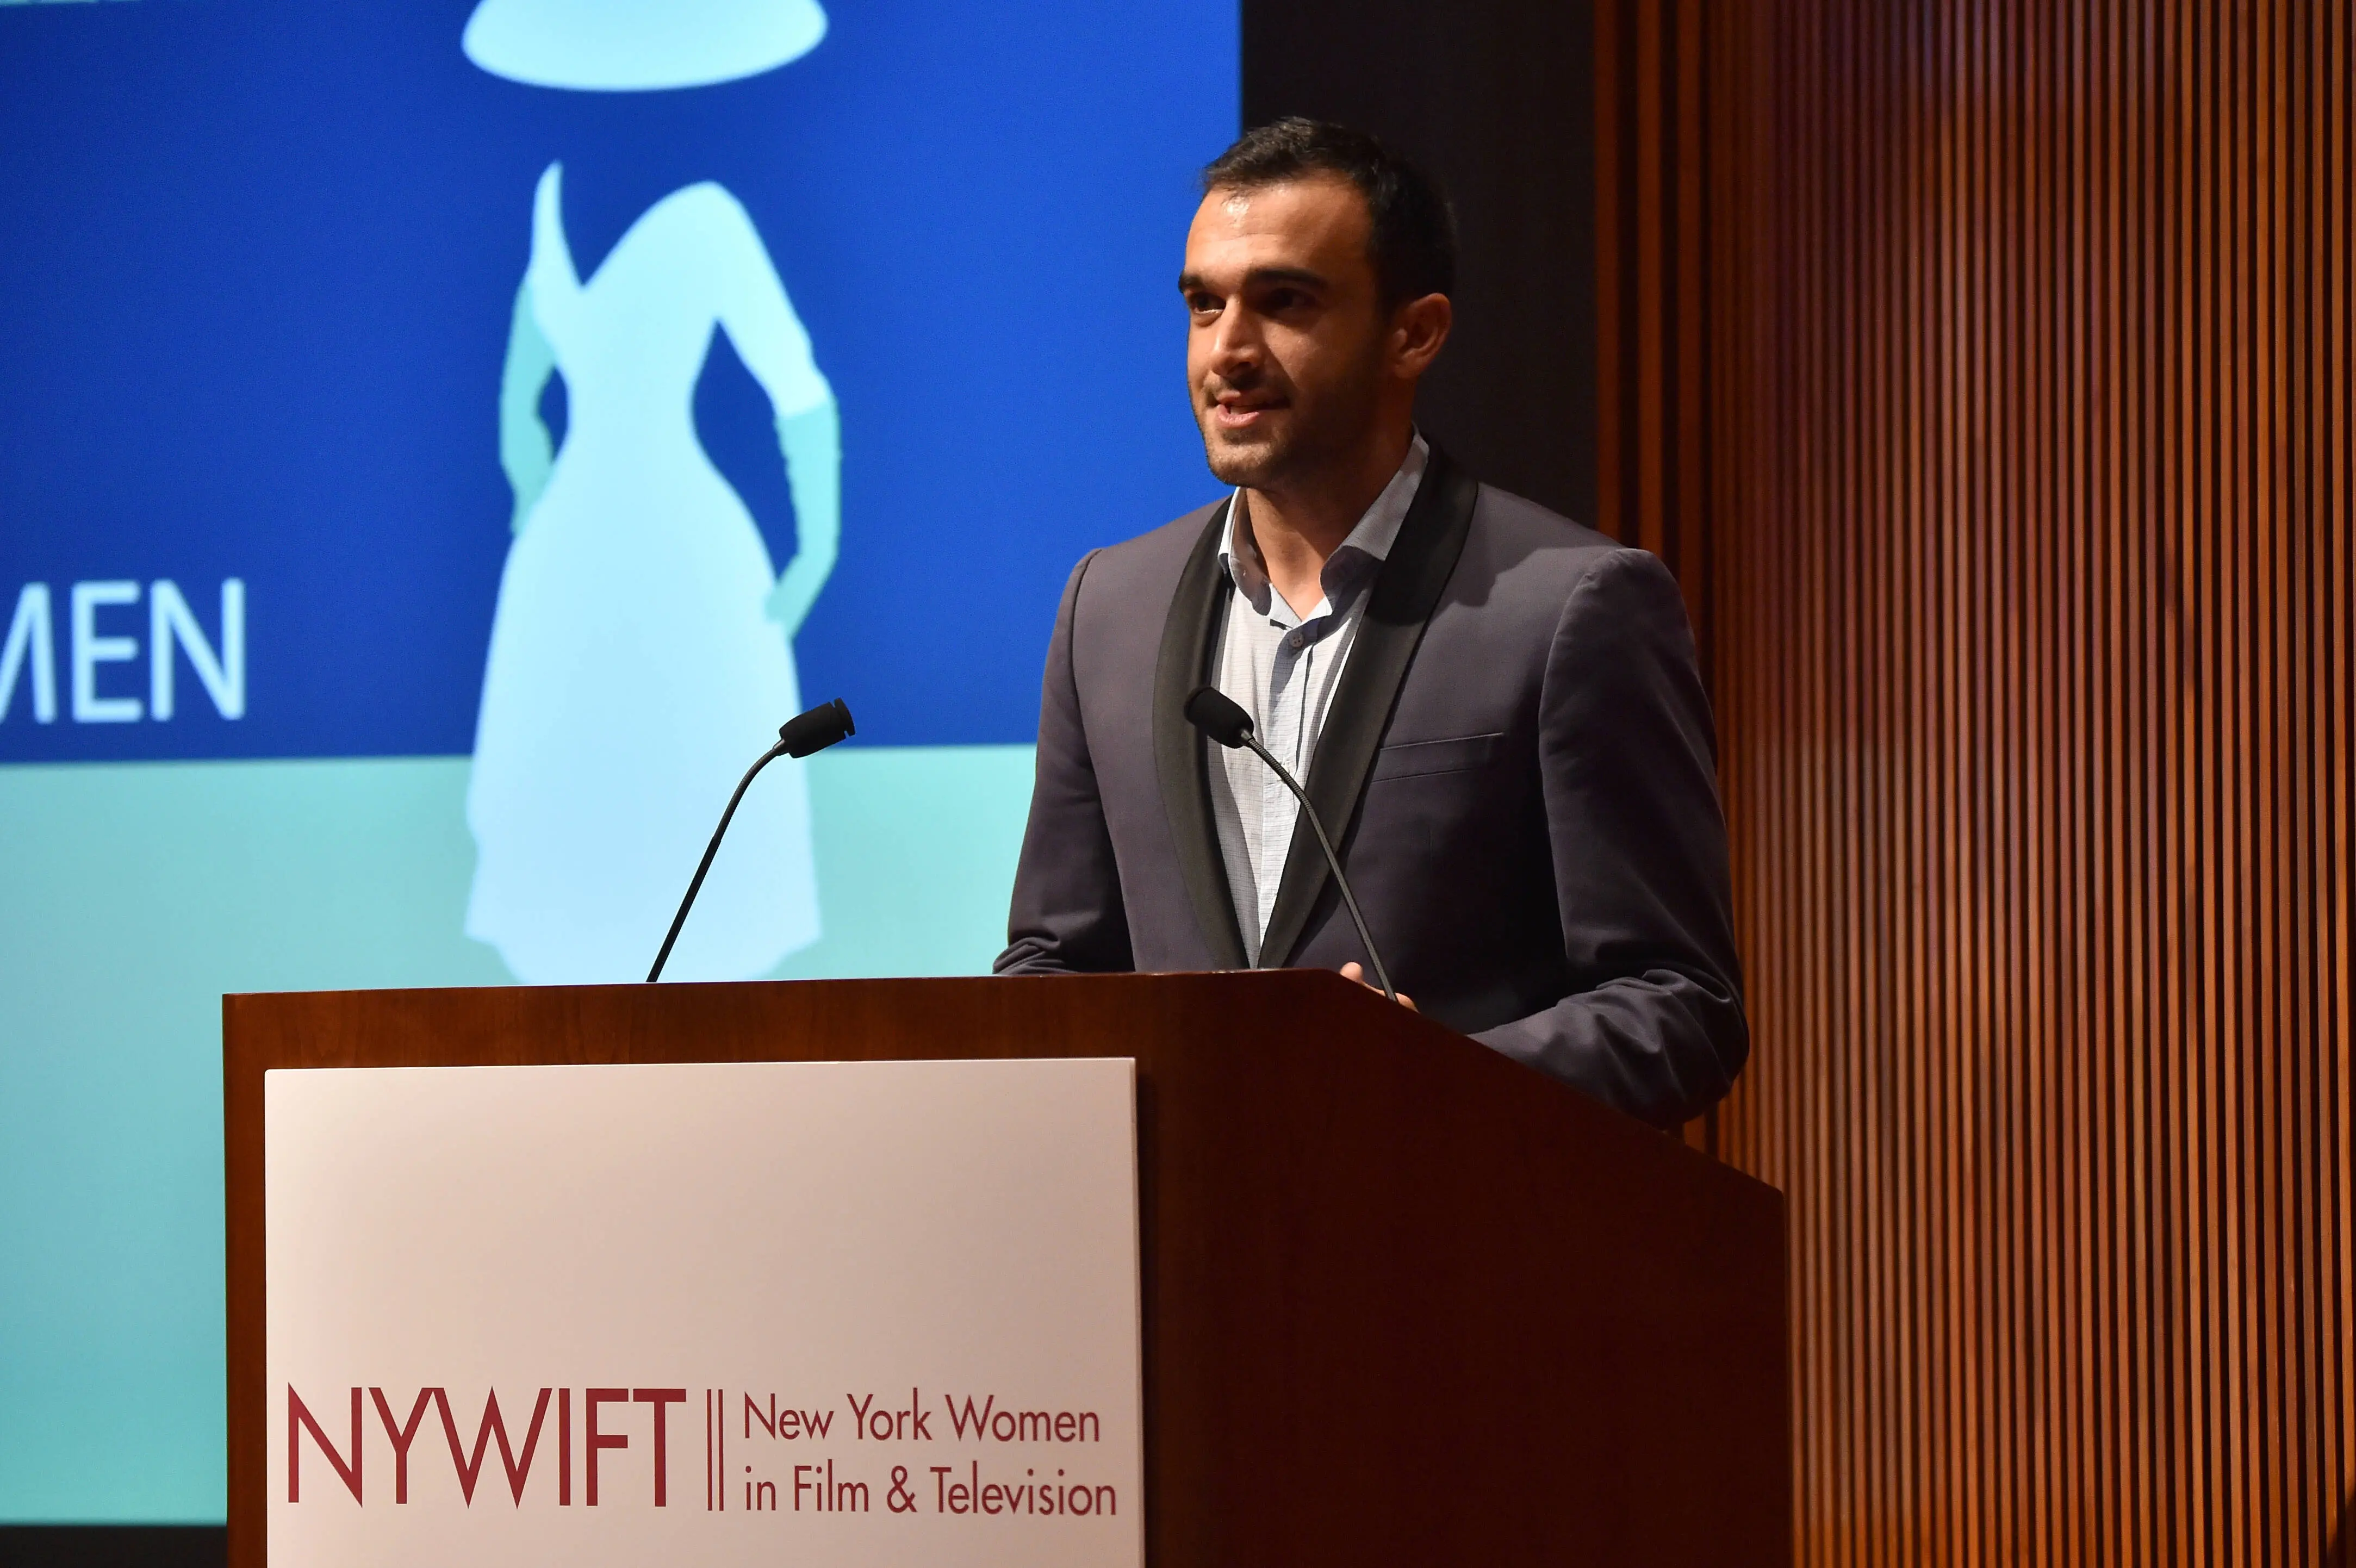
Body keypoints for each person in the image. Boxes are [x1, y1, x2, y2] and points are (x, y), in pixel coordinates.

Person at [994, 118, 1745, 1127]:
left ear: (1415, 332)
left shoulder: (1572, 606)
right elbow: (1053, 963)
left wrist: (1419, 1073)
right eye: (1204, 304)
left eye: (1285, 303)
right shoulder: (1108, 610)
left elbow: (1680, 1005)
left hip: (1439, 1247)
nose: (1228, 350)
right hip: (1174, 1255)